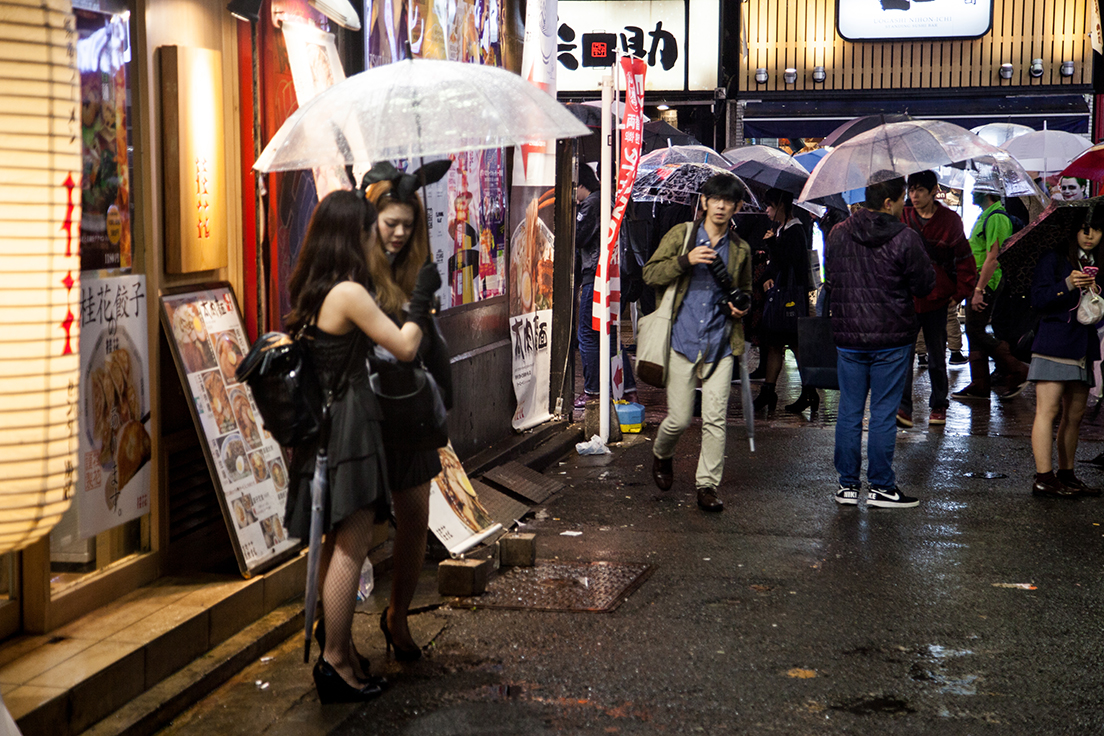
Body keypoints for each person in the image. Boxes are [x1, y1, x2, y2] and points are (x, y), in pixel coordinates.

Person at [284, 189, 436, 703]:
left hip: (330, 425)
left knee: (337, 544)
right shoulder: (348, 292)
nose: (379, 234)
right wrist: (420, 302)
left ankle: (342, 653)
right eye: (372, 226)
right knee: (350, 544)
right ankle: (334, 663)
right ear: (353, 232)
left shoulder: (312, 286)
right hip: (349, 425)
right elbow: (406, 344)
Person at [362, 160, 451, 663]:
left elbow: (423, 346)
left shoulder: (419, 262)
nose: (398, 234)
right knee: (356, 524)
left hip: (412, 406)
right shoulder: (355, 264)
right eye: (390, 223)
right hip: (369, 406)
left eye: (407, 225)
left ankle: (398, 615)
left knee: (415, 516)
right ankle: (338, 640)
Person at [825, 172, 934, 508]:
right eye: (902, 199)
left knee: (849, 411)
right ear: (889, 202)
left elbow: (833, 280)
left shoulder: (838, 233)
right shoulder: (906, 237)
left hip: (848, 336)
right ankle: (881, 487)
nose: (905, 205)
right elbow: (924, 285)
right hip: (891, 335)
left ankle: (847, 486)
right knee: (884, 412)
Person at [644, 174, 751, 512]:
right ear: (704, 201)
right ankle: (662, 454)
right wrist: (684, 261)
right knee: (678, 418)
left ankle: (707, 486)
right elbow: (650, 274)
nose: (720, 206)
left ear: (737, 207)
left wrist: (741, 305)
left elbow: (745, 292)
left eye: (728, 201)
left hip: (720, 343)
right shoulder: (682, 235)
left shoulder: (740, 249)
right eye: (715, 199)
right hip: (682, 340)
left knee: (716, 419)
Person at [1027, 211, 1104, 498]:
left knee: (1075, 414)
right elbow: (1038, 299)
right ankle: (1044, 477)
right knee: (1047, 412)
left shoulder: (1100, 265)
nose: (1089, 235)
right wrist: (1068, 285)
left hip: (1084, 346)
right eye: (1084, 229)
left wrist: (1096, 292)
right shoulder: (1054, 259)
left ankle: (1067, 474)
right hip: (1054, 343)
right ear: (1074, 232)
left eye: (1096, 229)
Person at [896, 170, 977, 428]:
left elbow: (964, 258)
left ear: (934, 191)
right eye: (911, 190)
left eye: (920, 190)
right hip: (908, 299)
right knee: (904, 356)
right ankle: (903, 408)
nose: (914, 195)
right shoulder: (903, 217)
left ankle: (939, 404)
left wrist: (959, 294)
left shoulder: (950, 220)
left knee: (936, 355)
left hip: (937, 299)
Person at [951, 180, 1031, 400]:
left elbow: (993, 258)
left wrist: (979, 288)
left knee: (976, 330)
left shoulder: (996, 217)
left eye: (976, 189)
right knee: (973, 331)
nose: (972, 192)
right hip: (977, 280)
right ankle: (979, 384)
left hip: (986, 281)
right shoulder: (987, 215)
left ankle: (1018, 369)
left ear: (986, 193)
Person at [574, 163, 636, 408]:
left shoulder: (592, 202)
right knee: (608, 335)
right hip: (611, 274)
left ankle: (592, 392)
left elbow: (578, 237)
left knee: (588, 334)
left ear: (581, 184)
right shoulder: (608, 200)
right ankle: (629, 390)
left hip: (595, 275)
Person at [753, 188, 816, 413]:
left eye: (770, 206)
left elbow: (790, 263)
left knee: (795, 346)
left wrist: (772, 245)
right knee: (774, 345)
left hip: (790, 299)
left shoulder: (795, 230)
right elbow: (776, 265)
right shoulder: (781, 230)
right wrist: (766, 276)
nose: (767, 210)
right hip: (780, 297)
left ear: (781, 205)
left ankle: (809, 392)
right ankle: (769, 392)